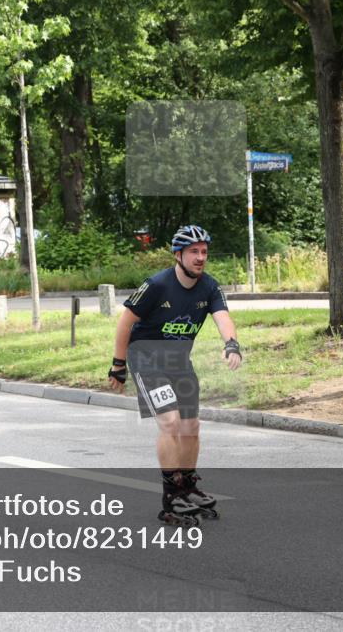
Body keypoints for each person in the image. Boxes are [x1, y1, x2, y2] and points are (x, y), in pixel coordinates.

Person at [107, 224, 243, 526]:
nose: (200, 257)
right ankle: (170, 497)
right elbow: (125, 323)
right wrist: (118, 364)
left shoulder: (210, 286)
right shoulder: (156, 285)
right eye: (194, 252)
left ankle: (187, 487)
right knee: (169, 421)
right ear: (178, 255)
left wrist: (231, 344)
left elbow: (223, 317)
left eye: (204, 252)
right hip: (147, 358)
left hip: (179, 361)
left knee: (191, 425)